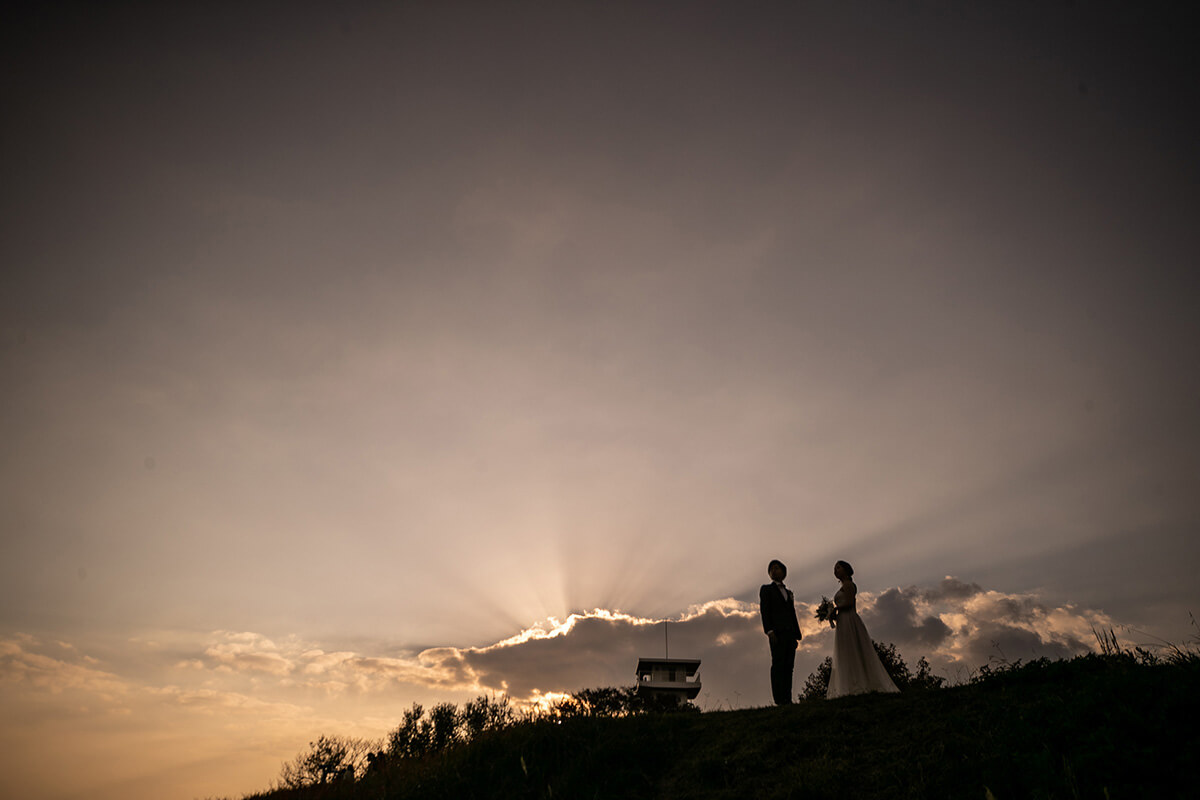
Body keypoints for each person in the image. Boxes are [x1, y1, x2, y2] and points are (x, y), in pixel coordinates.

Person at [826, 560, 900, 699]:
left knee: (853, 649)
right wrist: (834, 615)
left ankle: (859, 684)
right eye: (834, 569)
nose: (835, 570)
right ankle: (850, 685)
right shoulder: (844, 586)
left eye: (838, 567)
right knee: (846, 651)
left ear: (846, 569)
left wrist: (834, 609)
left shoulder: (849, 585)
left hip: (849, 620)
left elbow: (848, 603)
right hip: (843, 620)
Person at [759, 559, 803, 705]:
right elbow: (765, 611)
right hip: (776, 633)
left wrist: (797, 635)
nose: (774, 571)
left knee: (789, 666)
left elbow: (792, 614)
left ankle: (787, 698)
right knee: (778, 664)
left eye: (777, 568)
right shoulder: (766, 589)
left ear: (783, 572)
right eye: (771, 569)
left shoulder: (789, 593)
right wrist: (769, 631)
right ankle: (779, 699)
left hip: (790, 633)